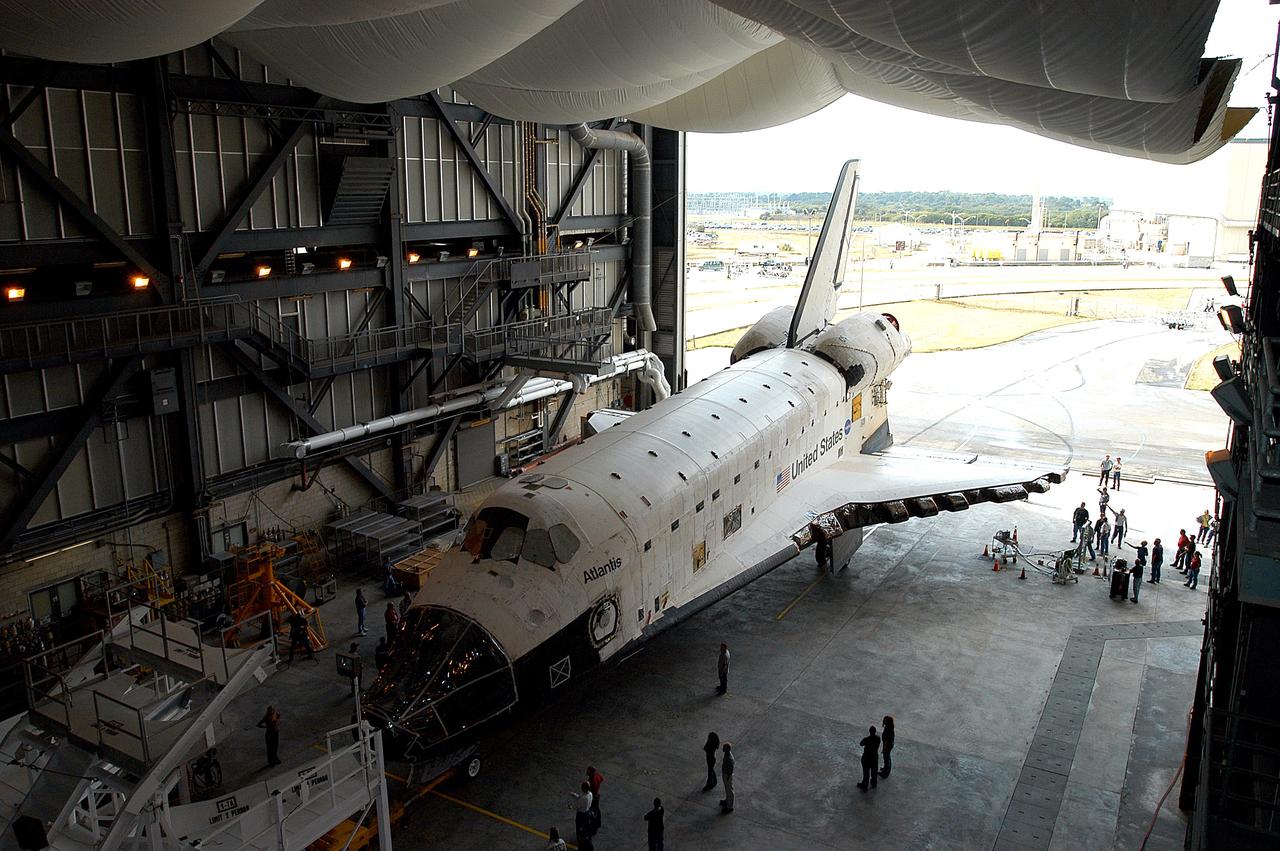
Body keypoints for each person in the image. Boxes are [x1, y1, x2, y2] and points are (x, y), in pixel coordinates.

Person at [857, 725, 880, 791]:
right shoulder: (878, 738)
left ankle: (865, 786)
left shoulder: (866, 739)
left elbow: (861, 744)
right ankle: (874, 783)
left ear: (869, 731)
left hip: (867, 758)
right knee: (874, 771)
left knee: (866, 773)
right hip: (874, 757)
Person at [571, 782, 593, 847]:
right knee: (586, 826)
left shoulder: (584, 798)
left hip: (581, 814)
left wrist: (571, 807)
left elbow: (577, 806)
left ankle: (579, 839)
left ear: (584, 788)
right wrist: (575, 795)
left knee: (578, 826)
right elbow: (581, 797)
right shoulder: (590, 794)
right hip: (587, 812)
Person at [585, 765, 603, 833]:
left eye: (588, 771)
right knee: (597, 810)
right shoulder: (597, 775)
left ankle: (594, 826)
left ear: (592, 772)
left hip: (593, 797)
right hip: (597, 796)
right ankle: (598, 823)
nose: (587, 772)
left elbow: (590, 789)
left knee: (593, 812)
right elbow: (601, 779)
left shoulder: (591, 780)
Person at [719, 742, 735, 813]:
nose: (722, 749)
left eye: (724, 748)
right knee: (727, 789)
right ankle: (727, 801)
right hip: (726, 774)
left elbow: (731, 768)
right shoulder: (727, 754)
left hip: (727, 775)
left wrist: (728, 777)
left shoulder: (729, 758)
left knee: (729, 790)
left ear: (727, 749)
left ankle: (729, 807)